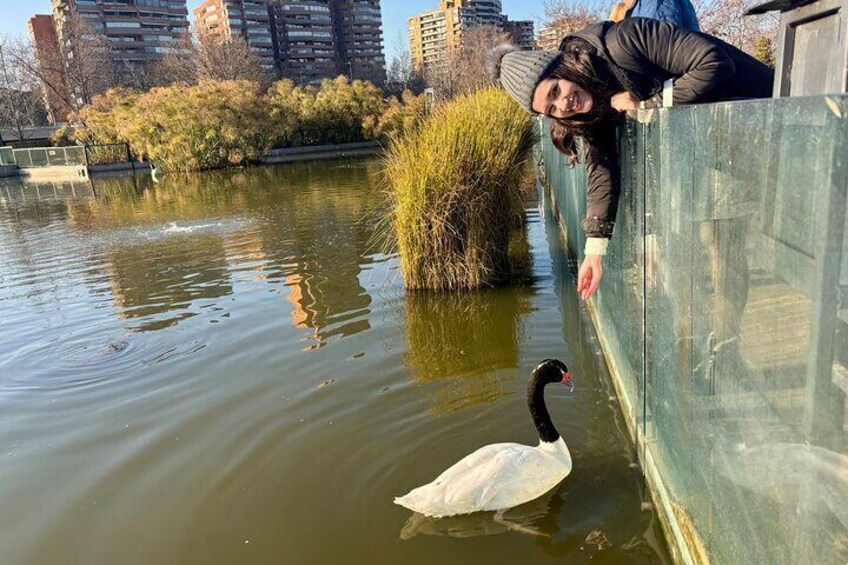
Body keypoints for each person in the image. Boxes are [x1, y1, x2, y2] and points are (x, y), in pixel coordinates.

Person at [487, 17, 774, 299]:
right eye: (552, 108)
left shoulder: (626, 39)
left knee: (727, 246)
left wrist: (651, 103)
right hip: (720, 153)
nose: (564, 104)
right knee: (715, 243)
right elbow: (602, 170)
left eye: (555, 90)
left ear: (563, 66)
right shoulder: (592, 102)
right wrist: (594, 251)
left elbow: (714, 63)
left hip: (769, 119)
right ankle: (723, 337)